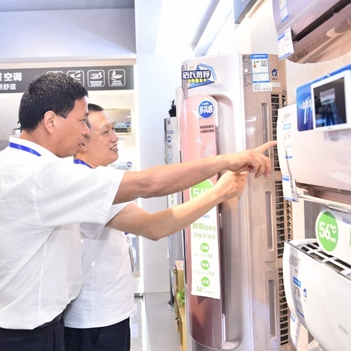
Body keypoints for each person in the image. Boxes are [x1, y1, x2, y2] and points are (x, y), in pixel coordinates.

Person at [0, 73, 275, 351]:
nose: (84, 132)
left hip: (3, 329)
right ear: (51, 121)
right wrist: (225, 163)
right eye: (81, 122)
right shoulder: (45, 175)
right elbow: (148, 185)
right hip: (31, 337)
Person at [64, 104, 246, 350]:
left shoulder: (90, 176)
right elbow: (154, 226)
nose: (115, 138)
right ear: (82, 142)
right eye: (106, 132)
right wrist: (217, 193)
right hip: (96, 319)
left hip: (102, 313)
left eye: (114, 129)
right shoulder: (90, 182)